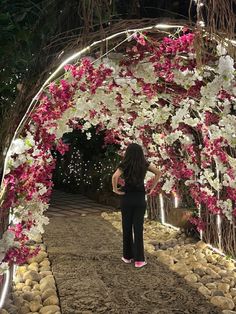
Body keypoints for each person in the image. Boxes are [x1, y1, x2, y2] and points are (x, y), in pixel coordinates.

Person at [112, 143, 160, 268]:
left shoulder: (124, 164)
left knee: (126, 228)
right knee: (138, 229)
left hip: (127, 199)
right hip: (139, 199)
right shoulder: (144, 164)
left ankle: (127, 257)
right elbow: (158, 173)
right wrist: (151, 188)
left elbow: (115, 176)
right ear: (140, 153)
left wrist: (115, 189)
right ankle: (139, 260)